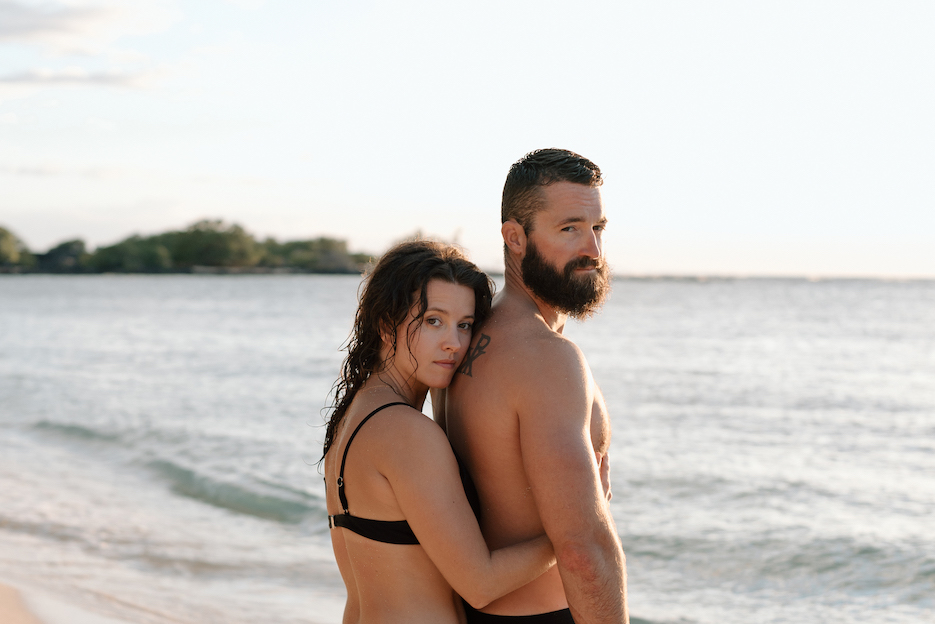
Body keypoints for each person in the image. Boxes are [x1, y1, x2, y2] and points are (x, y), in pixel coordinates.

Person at [437, 149, 628, 624]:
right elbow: (583, 550)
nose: (593, 251)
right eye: (569, 229)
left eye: (597, 228)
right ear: (514, 237)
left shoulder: (467, 336)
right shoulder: (546, 358)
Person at [322, 239, 556, 624]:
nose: (454, 343)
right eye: (434, 321)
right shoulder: (406, 432)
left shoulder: (356, 416)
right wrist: (570, 532)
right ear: (385, 325)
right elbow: (480, 584)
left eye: (464, 325)